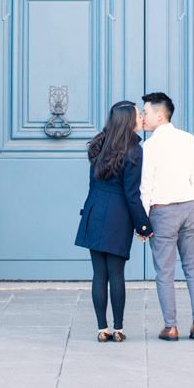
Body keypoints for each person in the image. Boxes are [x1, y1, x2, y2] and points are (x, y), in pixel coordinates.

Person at [75, 100, 153, 342]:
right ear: (128, 120)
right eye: (139, 115)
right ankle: (118, 329)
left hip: (95, 210)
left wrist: (88, 212)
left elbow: (92, 185)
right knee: (116, 273)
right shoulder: (134, 150)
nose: (142, 118)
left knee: (99, 273)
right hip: (118, 214)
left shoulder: (99, 143)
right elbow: (132, 194)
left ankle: (102, 329)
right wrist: (143, 225)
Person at [140, 92, 194, 341]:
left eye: (145, 112)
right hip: (188, 208)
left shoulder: (150, 146)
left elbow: (145, 185)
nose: (142, 117)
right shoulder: (188, 139)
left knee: (165, 271)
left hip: (163, 211)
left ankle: (171, 326)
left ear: (159, 114)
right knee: (193, 267)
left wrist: (143, 219)